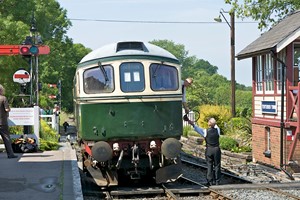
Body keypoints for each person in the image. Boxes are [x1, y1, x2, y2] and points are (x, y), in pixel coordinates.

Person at [188, 117, 221, 186]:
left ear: (209, 124)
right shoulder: (218, 130)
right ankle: (217, 181)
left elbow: (198, 129)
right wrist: (213, 122)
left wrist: (193, 124)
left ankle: (210, 181)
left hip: (209, 149)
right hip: (217, 149)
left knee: (209, 165)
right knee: (217, 165)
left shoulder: (205, 131)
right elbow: (216, 125)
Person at [0, 84, 18, 159]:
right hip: (2, 122)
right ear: (1, 90)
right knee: (6, 138)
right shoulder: (3, 98)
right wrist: (9, 109)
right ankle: (10, 154)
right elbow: (7, 109)